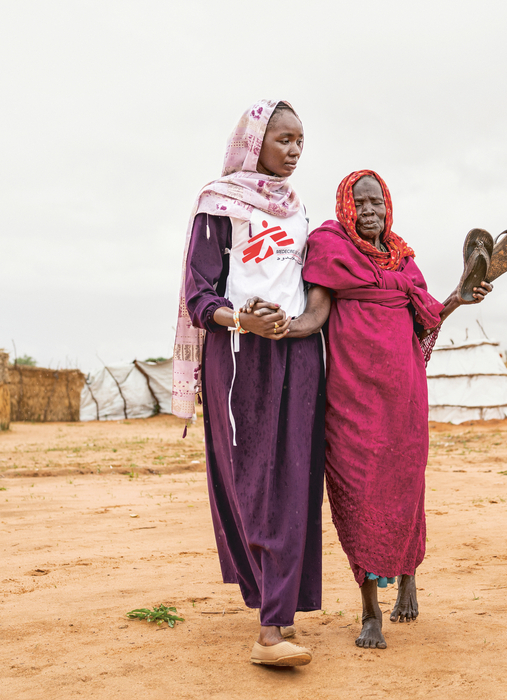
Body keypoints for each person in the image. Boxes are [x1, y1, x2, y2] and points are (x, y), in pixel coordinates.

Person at [286, 169, 491, 650]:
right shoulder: (329, 249)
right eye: (361, 202)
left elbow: (426, 321)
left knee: (404, 490)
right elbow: (316, 314)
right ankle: (368, 610)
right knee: (357, 495)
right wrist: (276, 328)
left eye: (377, 201)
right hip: (351, 398)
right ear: (345, 206)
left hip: (403, 397)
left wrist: (459, 297)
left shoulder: (405, 261)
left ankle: (407, 578)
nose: (370, 210)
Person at [173, 99, 324, 667]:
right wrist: (245, 319)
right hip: (239, 359)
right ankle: (270, 614)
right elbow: (199, 294)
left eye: (300, 141)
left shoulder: (300, 210)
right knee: (254, 482)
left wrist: (299, 324)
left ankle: (274, 623)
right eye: (283, 139)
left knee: (294, 479)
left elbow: (313, 282)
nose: (293, 150)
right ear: (254, 140)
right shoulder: (219, 205)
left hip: (300, 356)